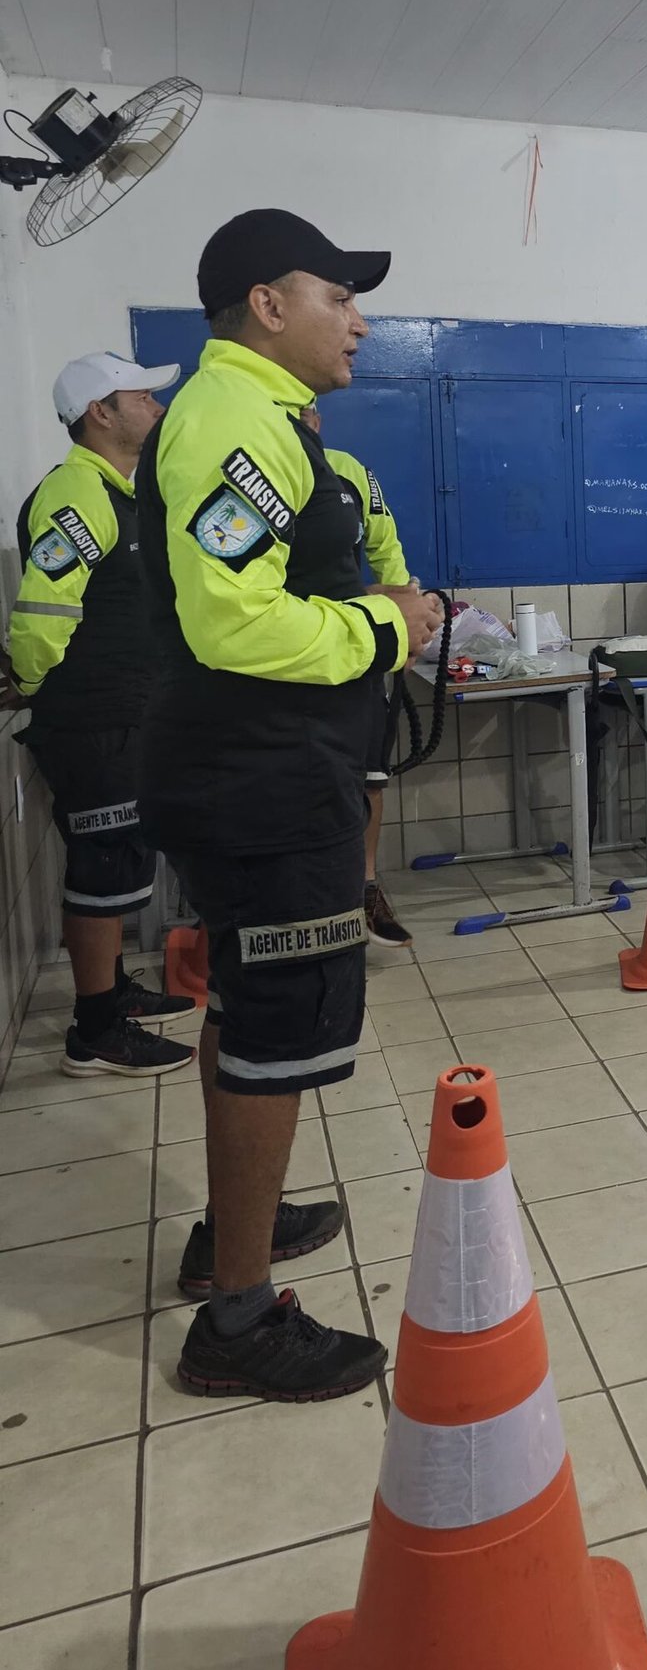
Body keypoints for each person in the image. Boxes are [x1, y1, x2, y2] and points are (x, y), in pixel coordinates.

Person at [138, 208, 442, 1403]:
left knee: (254, 1010)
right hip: (260, 777)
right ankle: (240, 1321)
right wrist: (387, 626)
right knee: (281, 1025)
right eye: (337, 296)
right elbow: (233, 620)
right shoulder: (234, 429)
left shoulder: (258, 420)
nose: (357, 320)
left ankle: (232, 1241)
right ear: (269, 305)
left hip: (258, 768)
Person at [7, 353, 201, 1077]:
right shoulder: (73, 497)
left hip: (130, 715)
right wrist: (28, 676)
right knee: (102, 866)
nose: (156, 406)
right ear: (102, 412)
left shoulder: (120, 492)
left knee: (121, 863)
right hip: (94, 720)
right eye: (142, 396)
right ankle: (94, 1030)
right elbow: (43, 612)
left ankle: (113, 991)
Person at [301, 401, 414, 949]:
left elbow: (386, 550)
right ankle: (320, 899)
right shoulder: (244, 467)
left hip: (357, 652)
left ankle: (365, 888)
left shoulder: (349, 471)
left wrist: (406, 621)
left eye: (311, 411)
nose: (307, 421)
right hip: (288, 659)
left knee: (370, 776)